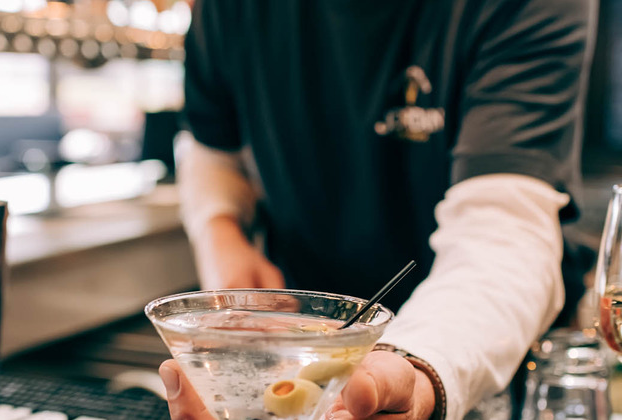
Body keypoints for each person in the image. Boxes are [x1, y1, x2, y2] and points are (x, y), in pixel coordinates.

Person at [162, 0, 598, 419]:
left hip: (463, 354)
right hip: (295, 343)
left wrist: (408, 368)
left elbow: (503, 235)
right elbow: (212, 144)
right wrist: (222, 234)